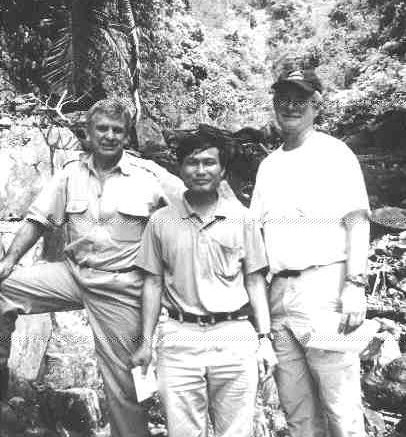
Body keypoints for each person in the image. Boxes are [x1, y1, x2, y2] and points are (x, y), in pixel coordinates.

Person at [0, 98, 181, 437]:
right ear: (88, 132)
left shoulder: (150, 176)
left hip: (121, 288)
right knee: (2, 290)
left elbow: (194, 203)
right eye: (103, 129)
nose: (110, 136)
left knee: (124, 389)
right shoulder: (70, 174)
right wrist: (8, 261)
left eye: (118, 130)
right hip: (72, 275)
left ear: (126, 136)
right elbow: (36, 220)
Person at [131, 127, 277, 437]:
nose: (201, 170)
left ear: (223, 169)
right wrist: (146, 342)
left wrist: (265, 339)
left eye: (209, 162)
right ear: (180, 168)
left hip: (234, 337)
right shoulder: (161, 221)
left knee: (236, 432)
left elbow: (254, 282)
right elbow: (153, 284)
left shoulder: (244, 219)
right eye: (192, 162)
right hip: (179, 339)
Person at [250, 69, 370, 437]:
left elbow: (358, 221)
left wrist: (355, 284)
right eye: (282, 98)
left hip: (326, 290)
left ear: (316, 106)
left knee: (341, 409)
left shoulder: (336, 153)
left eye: (299, 99)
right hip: (278, 295)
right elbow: (253, 234)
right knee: (298, 412)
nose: (290, 106)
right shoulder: (268, 165)